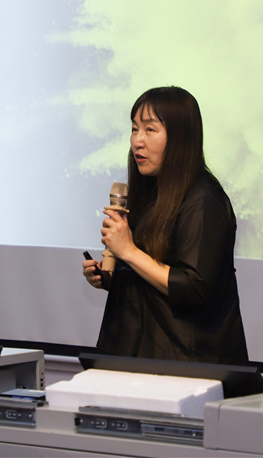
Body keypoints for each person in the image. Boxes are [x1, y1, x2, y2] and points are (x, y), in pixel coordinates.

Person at [82, 86, 249, 365]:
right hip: (136, 354)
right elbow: (153, 273)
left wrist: (129, 252)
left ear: (180, 137)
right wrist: (113, 276)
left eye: (150, 130)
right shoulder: (151, 192)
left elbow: (194, 287)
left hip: (186, 363)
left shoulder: (204, 199)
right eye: (134, 129)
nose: (137, 141)